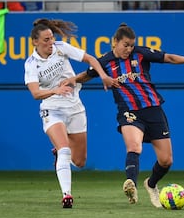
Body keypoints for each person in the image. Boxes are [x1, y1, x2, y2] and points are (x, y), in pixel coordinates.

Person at [74, 23, 184, 207]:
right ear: (115, 42)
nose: (129, 49)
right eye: (125, 45)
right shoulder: (104, 62)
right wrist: (69, 81)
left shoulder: (141, 53)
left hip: (152, 108)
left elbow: (167, 57)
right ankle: (131, 184)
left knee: (166, 160)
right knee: (134, 146)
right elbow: (86, 75)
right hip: (128, 111)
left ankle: (151, 184)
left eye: (131, 45)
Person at [24, 19, 118, 208]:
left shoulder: (61, 48)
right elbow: (35, 93)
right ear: (35, 42)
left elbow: (91, 59)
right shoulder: (31, 64)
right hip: (52, 109)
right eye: (45, 40)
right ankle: (67, 195)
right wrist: (54, 91)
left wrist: (104, 76)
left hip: (75, 108)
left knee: (80, 161)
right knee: (64, 149)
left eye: (51, 38)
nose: (50, 43)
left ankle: (59, 157)